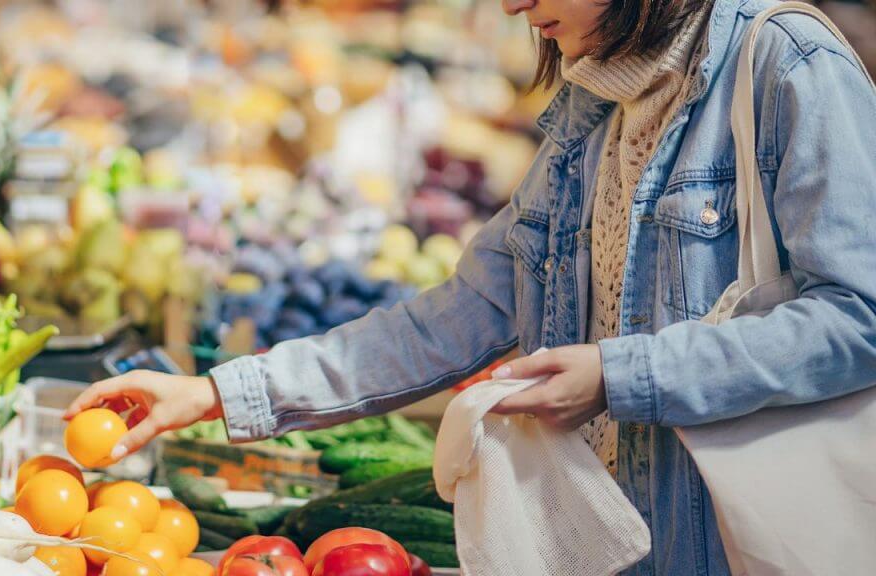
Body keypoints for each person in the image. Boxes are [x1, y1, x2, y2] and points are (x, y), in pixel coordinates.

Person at [66, 0, 876, 573]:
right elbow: (457, 315)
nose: (514, 5)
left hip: (734, 548)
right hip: (607, 542)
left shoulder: (786, 63)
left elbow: (861, 315)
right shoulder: (594, 106)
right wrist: (214, 393)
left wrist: (623, 376)